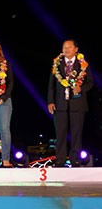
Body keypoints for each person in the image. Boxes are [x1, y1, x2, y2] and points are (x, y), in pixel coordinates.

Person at [48, 39, 93, 167]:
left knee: (76, 133)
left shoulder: (83, 64)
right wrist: (50, 101)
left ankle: (75, 160)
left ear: (76, 49)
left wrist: (81, 88)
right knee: (60, 133)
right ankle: (60, 160)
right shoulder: (57, 63)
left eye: (69, 47)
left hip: (78, 103)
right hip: (60, 103)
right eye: (64, 47)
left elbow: (90, 82)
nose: (66, 49)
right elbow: (51, 85)